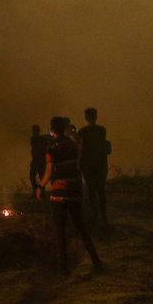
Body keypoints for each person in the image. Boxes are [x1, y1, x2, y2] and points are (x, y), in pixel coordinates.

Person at [37, 116, 103, 274]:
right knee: (80, 226)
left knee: (59, 230)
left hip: (59, 191)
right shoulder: (73, 145)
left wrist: (40, 186)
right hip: (75, 190)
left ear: (52, 130)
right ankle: (96, 260)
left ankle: (63, 268)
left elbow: (49, 170)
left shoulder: (52, 146)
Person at [77, 107, 111, 223]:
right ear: (96, 116)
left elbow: (80, 149)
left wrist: (79, 165)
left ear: (86, 117)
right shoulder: (102, 130)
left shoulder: (82, 131)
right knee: (100, 191)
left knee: (91, 191)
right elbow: (103, 148)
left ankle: (95, 216)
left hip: (88, 165)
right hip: (98, 164)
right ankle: (103, 216)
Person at [29, 125, 52, 193]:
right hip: (36, 160)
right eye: (34, 130)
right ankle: (36, 190)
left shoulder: (40, 138)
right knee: (32, 176)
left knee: (41, 176)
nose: (34, 131)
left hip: (41, 160)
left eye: (35, 130)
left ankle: (41, 191)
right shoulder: (34, 139)